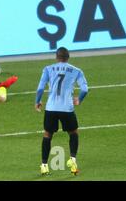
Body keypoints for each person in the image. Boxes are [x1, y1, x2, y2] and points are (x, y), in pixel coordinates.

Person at [35, 47, 89, 176]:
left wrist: (37, 101)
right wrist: (79, 99)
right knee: (73, 132)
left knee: (47, 134)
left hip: (51, 108)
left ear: (56, 57)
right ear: (68, 57)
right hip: (67, 108)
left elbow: (40, 88)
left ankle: (44, 165)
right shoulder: (77, 71)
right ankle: (72, 159)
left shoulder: (48, 69)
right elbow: (85, 89)